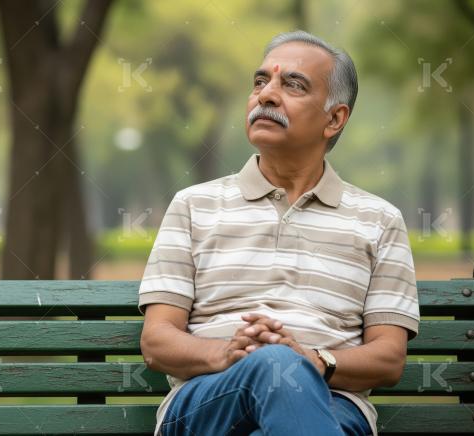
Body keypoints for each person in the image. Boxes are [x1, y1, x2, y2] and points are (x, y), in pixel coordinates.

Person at [138, 30, 420, 436]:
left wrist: (314, 360)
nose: (266, 95)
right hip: (207, 403)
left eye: (293, 84)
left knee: (283, 379)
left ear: (334, 119)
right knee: (274, 364)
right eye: (260, 82)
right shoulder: (193, 206)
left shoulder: (379, 220)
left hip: (333, 403)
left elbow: (389, 359)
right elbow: (157, 342)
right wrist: (229, 354)